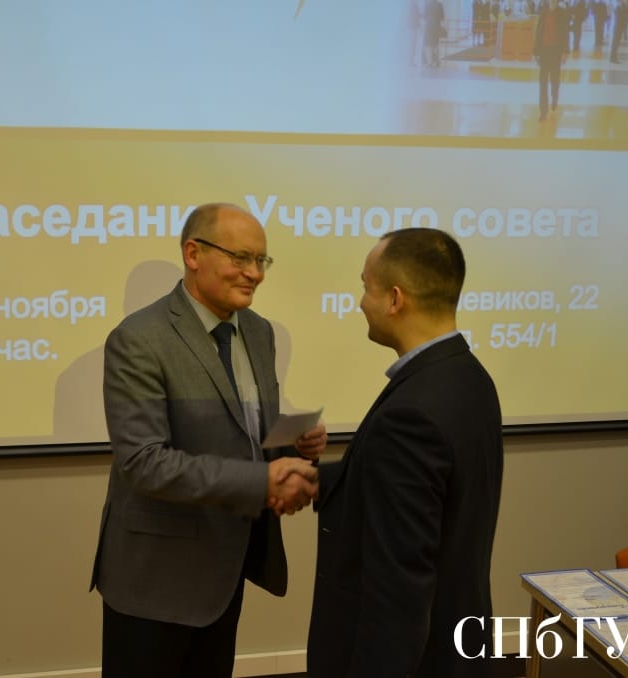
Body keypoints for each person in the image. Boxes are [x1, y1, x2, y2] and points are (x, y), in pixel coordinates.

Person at [90, 202, 327, 678]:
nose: (255, 273)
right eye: (241, 258)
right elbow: (144, 462)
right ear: (193, 254)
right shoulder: (139, 338)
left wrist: (291, 446)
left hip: (224, 567)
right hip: (154, 581)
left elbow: (245, 429)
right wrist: (262, 481)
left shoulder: (258, 332)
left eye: (261, 260)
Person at [304, 228, 504, 678]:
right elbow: (433, 494)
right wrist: (320, 481)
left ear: (395, 299)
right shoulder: (470, 378)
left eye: (365, 287)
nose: (360, 302)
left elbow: (399, 589)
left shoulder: (409, 414)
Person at [534, 0, 569, 122]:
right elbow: (538, 32)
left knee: (555, 79)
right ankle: (543, 111)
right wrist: (536, 52)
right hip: (544, 51)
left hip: (556, 52)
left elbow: (565, 33)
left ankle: (554, 98)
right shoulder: (543, 12)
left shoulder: (562, 13)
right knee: (543, 82)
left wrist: (565, 52)